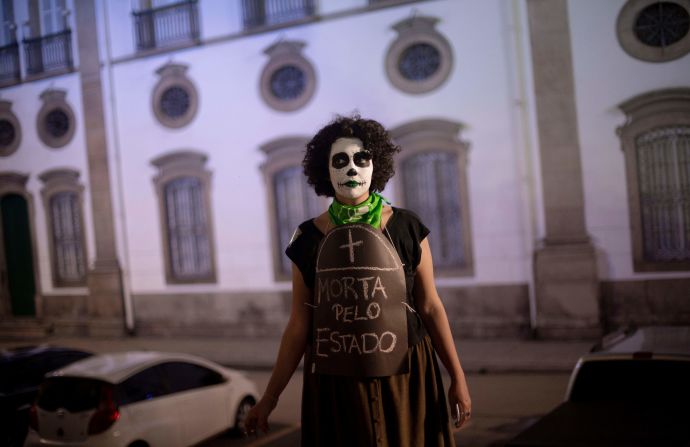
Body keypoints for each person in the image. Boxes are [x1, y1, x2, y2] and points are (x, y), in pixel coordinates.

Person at [245, 115, 471, 447]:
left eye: (361, 158)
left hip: (407, 377)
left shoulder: (407, 228)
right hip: (337, 386)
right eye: (341, 160)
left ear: (374, 165)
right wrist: (270, 397)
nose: (352, 168)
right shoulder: (307, 239)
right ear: (326, 170)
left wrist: (458, 377)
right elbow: (299, 324)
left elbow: (430, 306)